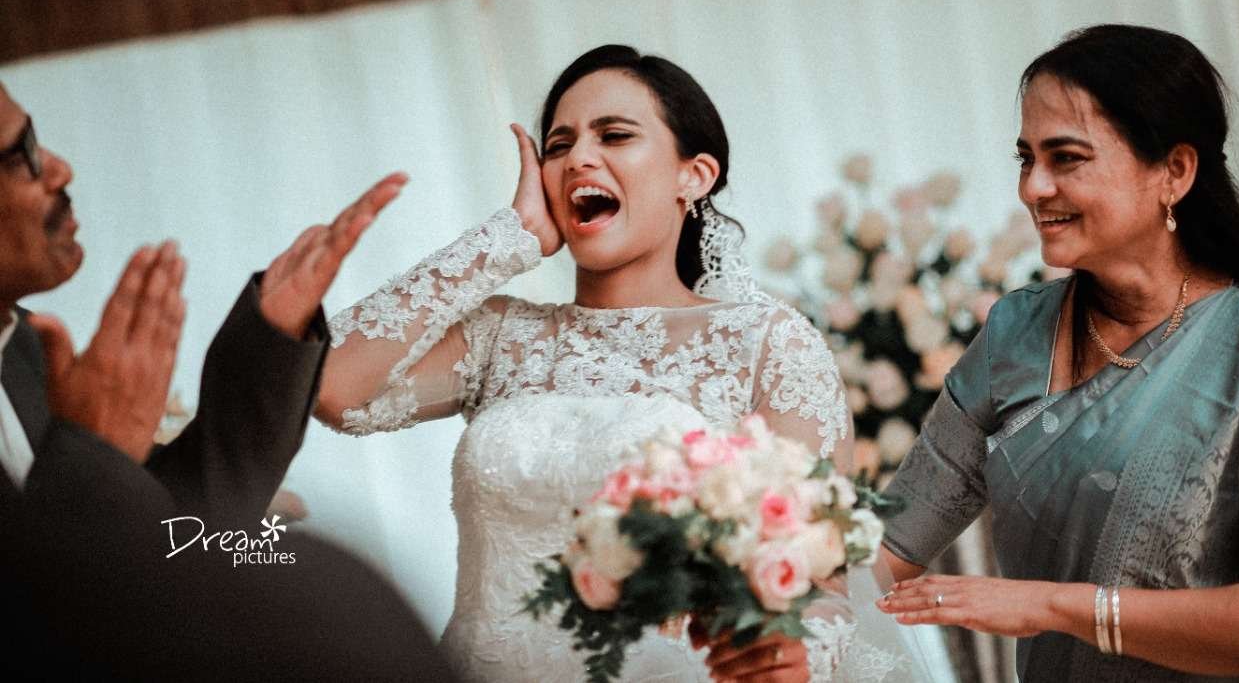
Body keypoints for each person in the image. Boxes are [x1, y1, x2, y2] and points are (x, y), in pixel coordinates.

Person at [315, 45, 933, 682]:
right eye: (559, 145)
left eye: (614, 135)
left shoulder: (764, 344)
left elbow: (823, 584)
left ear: (694, 176)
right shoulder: (498, 337)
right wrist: (511, 236)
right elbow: (329, 384)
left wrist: (788, 654)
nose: (579, 158)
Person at [0, 79, 456, 679]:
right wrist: (91, 460)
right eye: (22, 154)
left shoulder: (24, 345)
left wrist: (272, 337)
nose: (59, 169)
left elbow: (176, 527)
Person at [875, 25, 1239, 681]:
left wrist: (1054, 605)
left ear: (1174, 172)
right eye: (1025, 159)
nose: (1033, 188)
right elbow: (886, 546)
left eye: (1066, 158)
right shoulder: (1016, 333)